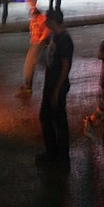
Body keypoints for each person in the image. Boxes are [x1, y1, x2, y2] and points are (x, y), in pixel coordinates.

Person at [37, 9, 73, 166]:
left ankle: (61, 156)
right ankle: (53, 153)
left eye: (47, 20)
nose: (45, 22)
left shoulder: (64, 40)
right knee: (47, 118)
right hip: (50, 84)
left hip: (57, 86)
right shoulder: (55, 36)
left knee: (57, 120)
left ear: (53, 21)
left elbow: (65, 66)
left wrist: (57, 91)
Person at [15, 0, 50, 98]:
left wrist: (41, 39)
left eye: (29, 1)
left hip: (37, 43)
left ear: (33, 1)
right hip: (35, 42)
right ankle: (28, 85)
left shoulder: (38, 13)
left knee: (29, 65)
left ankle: (28, 87)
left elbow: (47, 28)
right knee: (34, 64)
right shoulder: (33, 12)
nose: (28, 3)